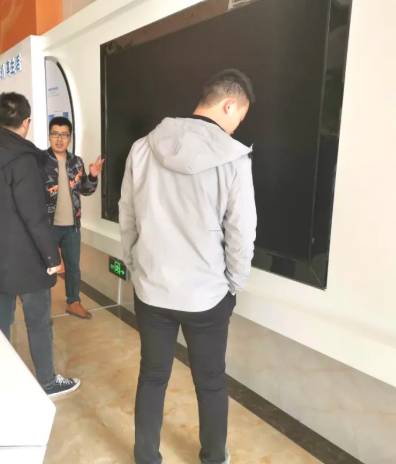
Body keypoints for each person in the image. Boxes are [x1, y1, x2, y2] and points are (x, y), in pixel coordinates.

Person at [119, 69, 257, 464]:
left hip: (152, 290)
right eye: (240, 115)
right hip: (207, 296)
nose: (237, 126)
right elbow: (241, 233)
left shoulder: (141, 148)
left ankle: (146, 456)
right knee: (210, 383)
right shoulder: (234, 158)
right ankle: (213, 457)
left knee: (152, 376)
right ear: (229, 104)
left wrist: (135, 268)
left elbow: (127, 217)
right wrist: (234, 285)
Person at [0, 92, 80, 399]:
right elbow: (34, 215)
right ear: (27, 122)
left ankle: (0, 378)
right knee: (38, 322)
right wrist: (51, 257)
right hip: (26, 258)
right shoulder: (24, 159)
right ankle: (47, 382)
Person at [41, 117, 104, 319]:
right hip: (47, 226)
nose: (59, 139)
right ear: (49, 136)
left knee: (73, 268)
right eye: (55, 134)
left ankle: (74, 302)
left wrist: (92, 176)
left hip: (72, 226)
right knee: (44, 268)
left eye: (64, 135)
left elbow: (85, 190)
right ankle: (41, 309)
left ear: (70, 137)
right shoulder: (40, 161)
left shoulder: (77, 162)